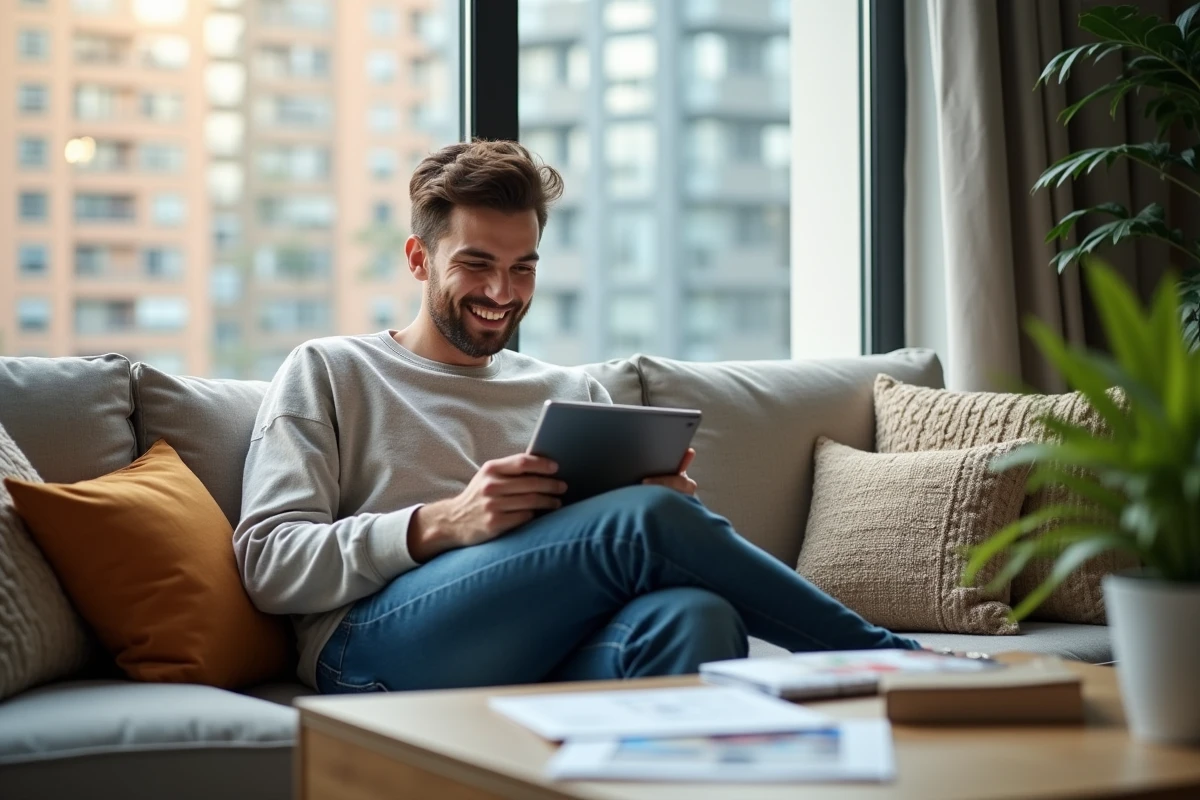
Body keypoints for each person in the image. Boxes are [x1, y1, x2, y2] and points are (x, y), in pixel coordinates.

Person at [234, 140, 919, 694]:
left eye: (523, 268)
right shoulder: (330, 369)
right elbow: (268, 564)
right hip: (372, 645)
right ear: (419, 259)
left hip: (547, 641)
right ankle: (898, 662)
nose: (502, 293)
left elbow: (624, 539)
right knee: (647, 525)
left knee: (696, 616)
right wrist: (443, 522)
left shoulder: (568, 389)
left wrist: (656, 508)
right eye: (476, 264)